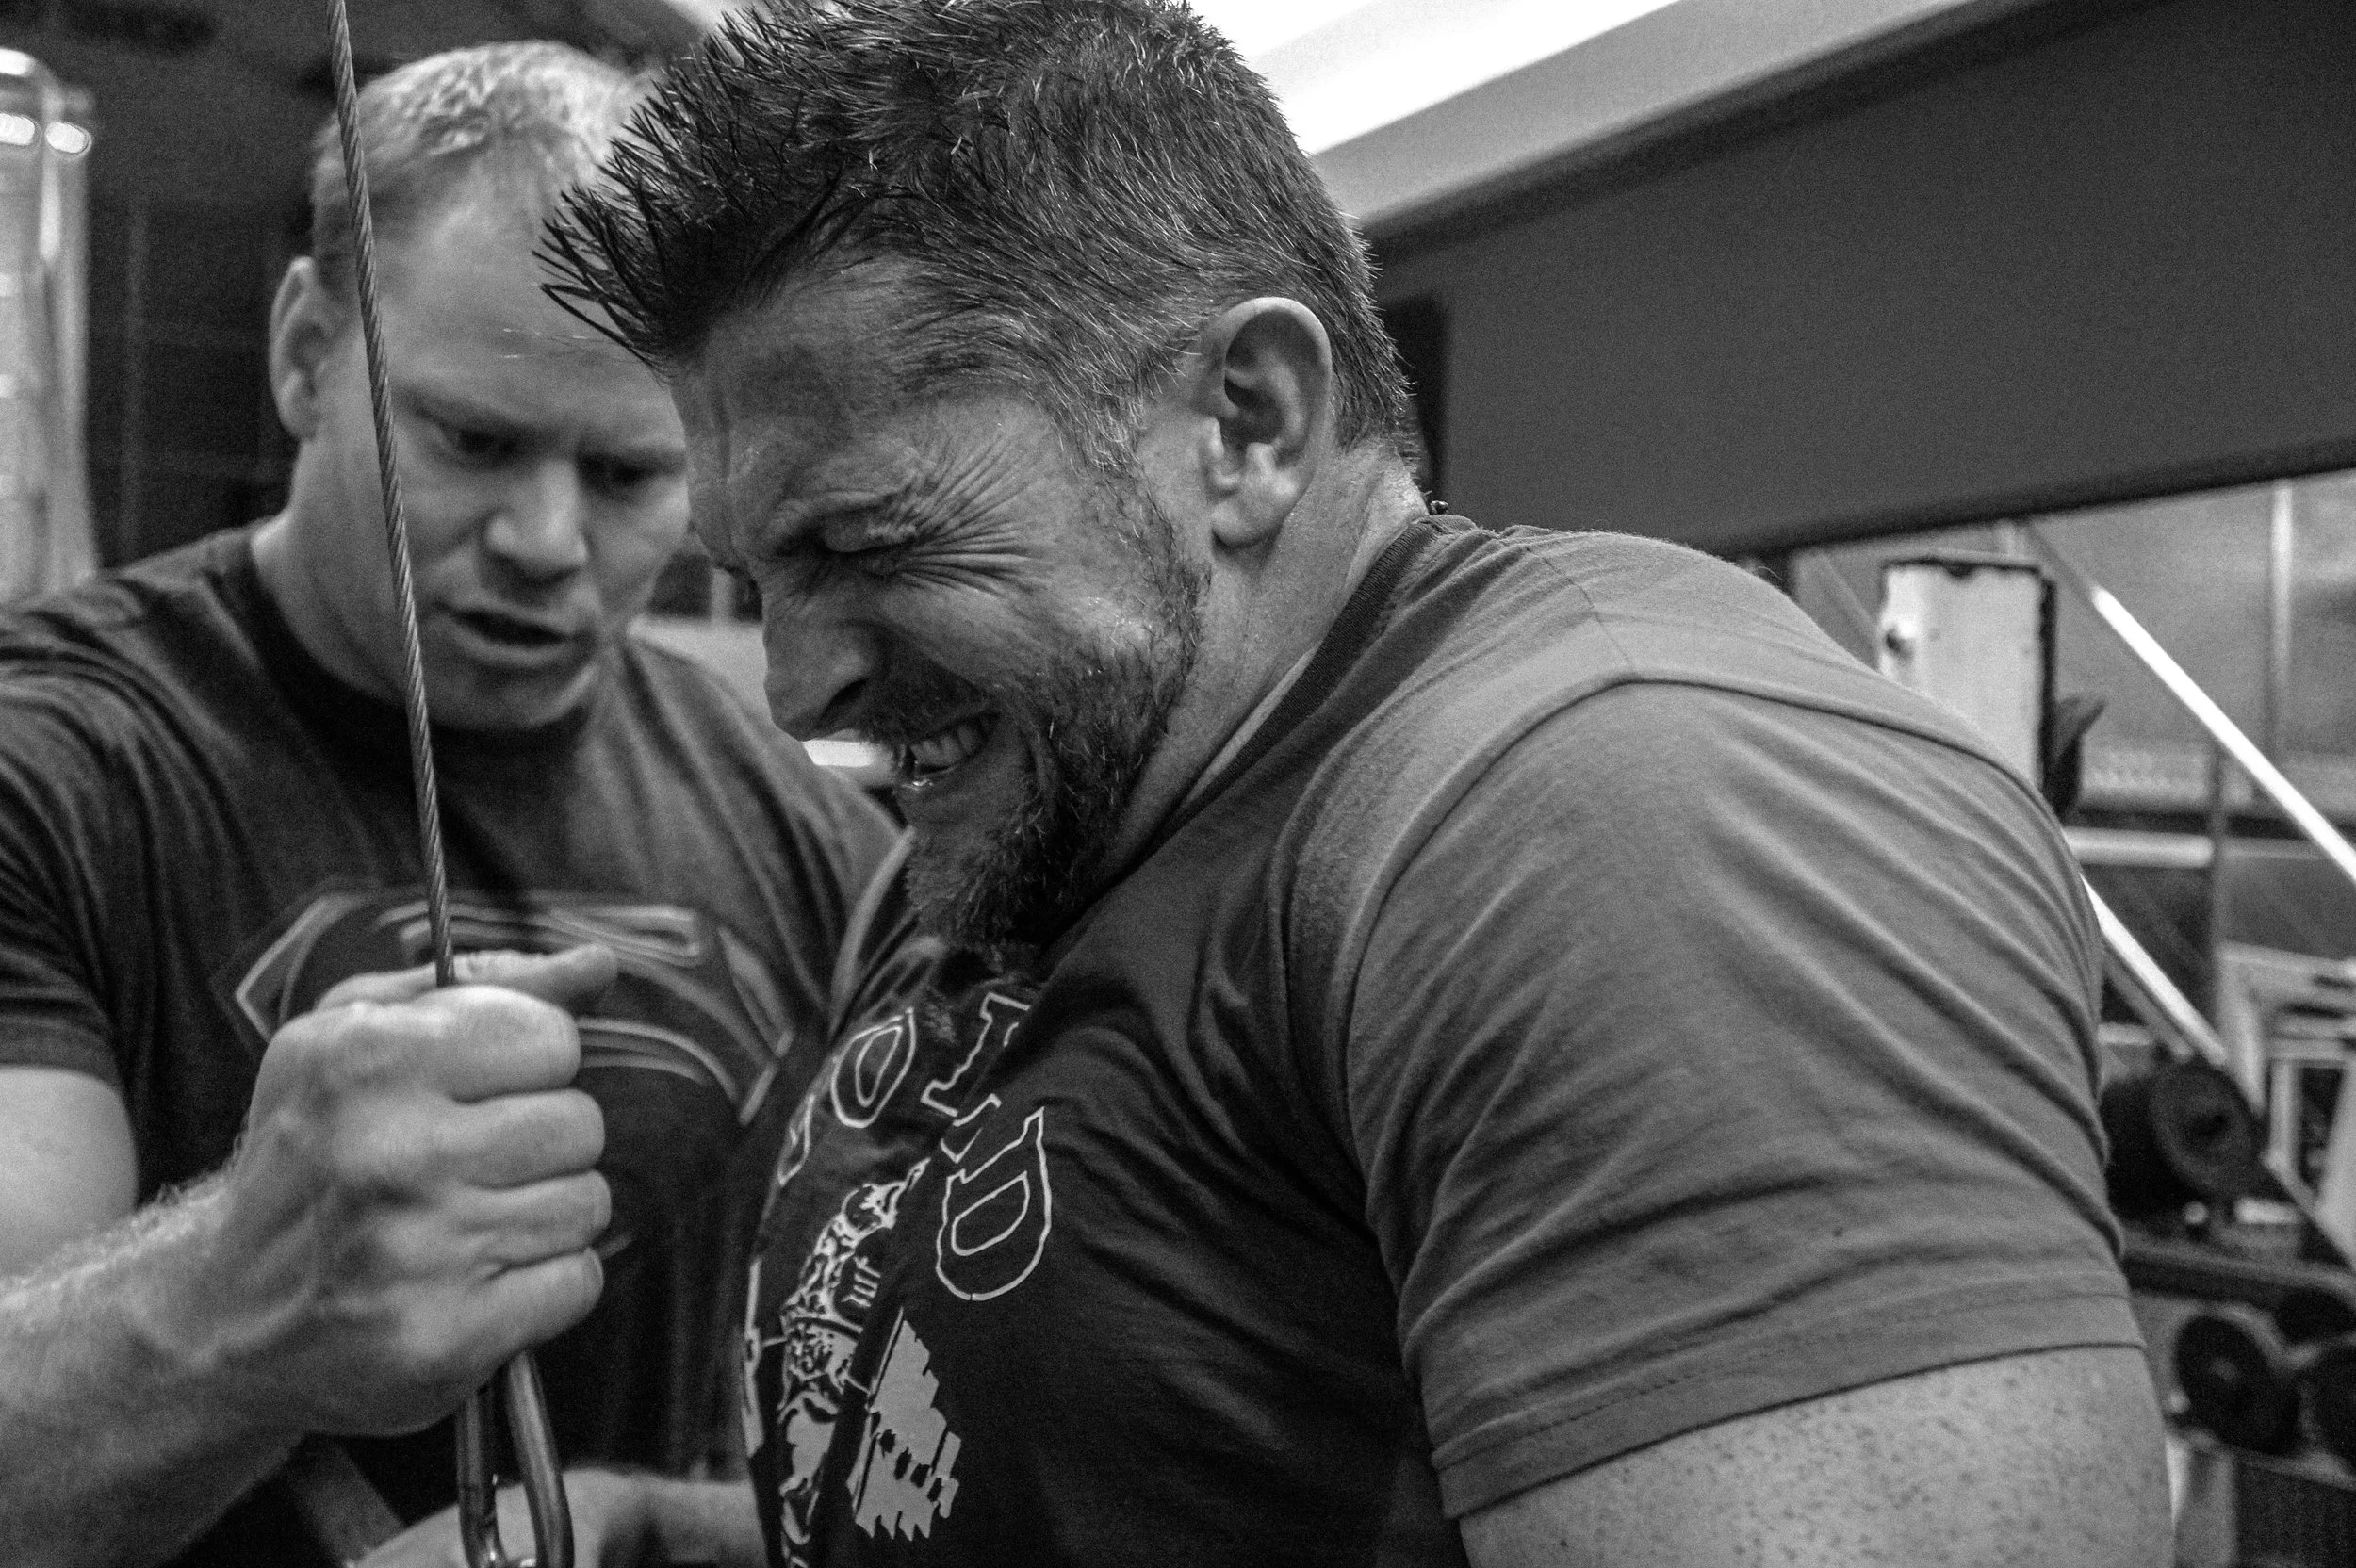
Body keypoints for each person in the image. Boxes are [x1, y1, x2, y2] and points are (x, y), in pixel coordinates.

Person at [551, 2, 2176, 1563]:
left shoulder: (1618, 815)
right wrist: (671, 1544)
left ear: (1244, 425)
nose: (793, 681)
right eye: (761, 571)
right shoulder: (1050, 793)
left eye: (865, 540)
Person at [0, 41, 899, 1568]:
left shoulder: (805, 823)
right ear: (303, 355)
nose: (549, 539)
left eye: (627, 475)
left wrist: (641, 1533)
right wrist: (233, 1295)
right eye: (474, 442)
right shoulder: (54, 765)